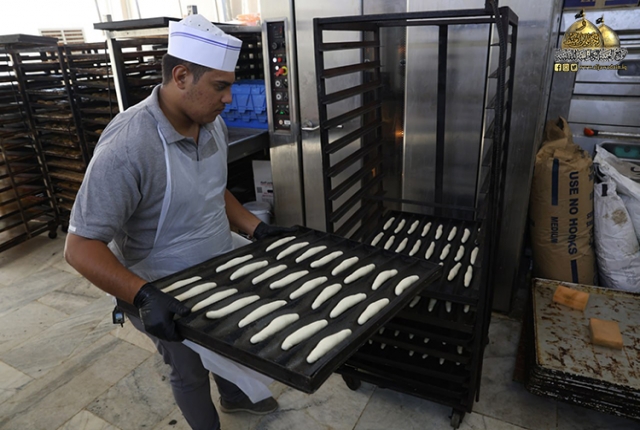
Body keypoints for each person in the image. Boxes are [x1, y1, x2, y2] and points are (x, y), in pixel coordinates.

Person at [64, 14, 293, 430]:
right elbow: (80, 247)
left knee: (228, 338)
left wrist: (253, 227)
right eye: (220, 86)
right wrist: (144, 296)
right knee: (188, 369)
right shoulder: (129, 146)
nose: (229, 98)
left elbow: (210, 187)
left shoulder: (211, 123)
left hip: (217, 263)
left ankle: (234, 396)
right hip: (161, 284)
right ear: (182, 76)